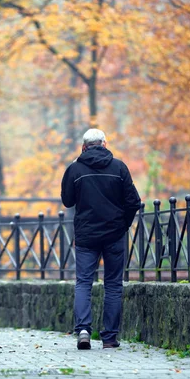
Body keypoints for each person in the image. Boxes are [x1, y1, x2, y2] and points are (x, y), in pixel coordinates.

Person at [61, 128, 141, 350]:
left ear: (84, 147)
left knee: (84, 282)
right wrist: (123, 224)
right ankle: (109, 338)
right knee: (113, 284)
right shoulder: (119, 167)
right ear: (104, 144)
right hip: (114, 235)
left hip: (87, 236)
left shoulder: (75, 169)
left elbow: (67, 201)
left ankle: (84, 330)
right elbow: (133, 201)